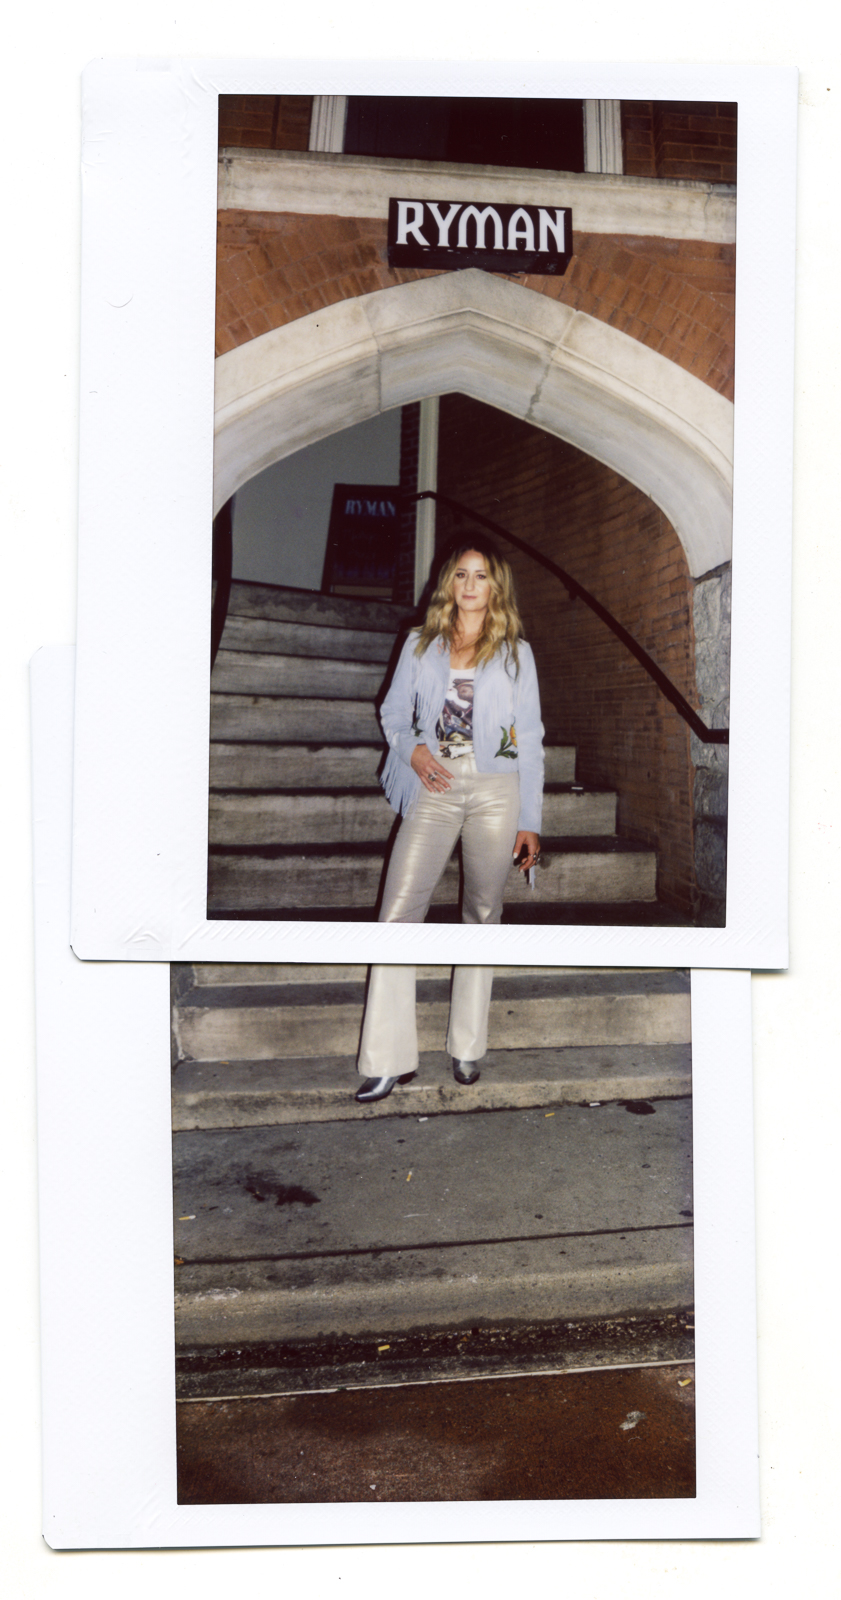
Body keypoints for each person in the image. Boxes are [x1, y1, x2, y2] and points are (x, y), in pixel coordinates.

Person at [355, 537, 544, 1103]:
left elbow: (529, 739)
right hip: (434, 782)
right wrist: (413, 751)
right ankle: (387, 1059)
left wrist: (529, 817)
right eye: (460, 574)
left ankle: (467, 1045)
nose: (469, 585)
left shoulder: (516, 653)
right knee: (397, 911)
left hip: (496, 788)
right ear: (449, 583)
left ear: (495, 587)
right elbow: (393, 711)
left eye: (480, 576)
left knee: (483, 912)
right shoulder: (420, 644)